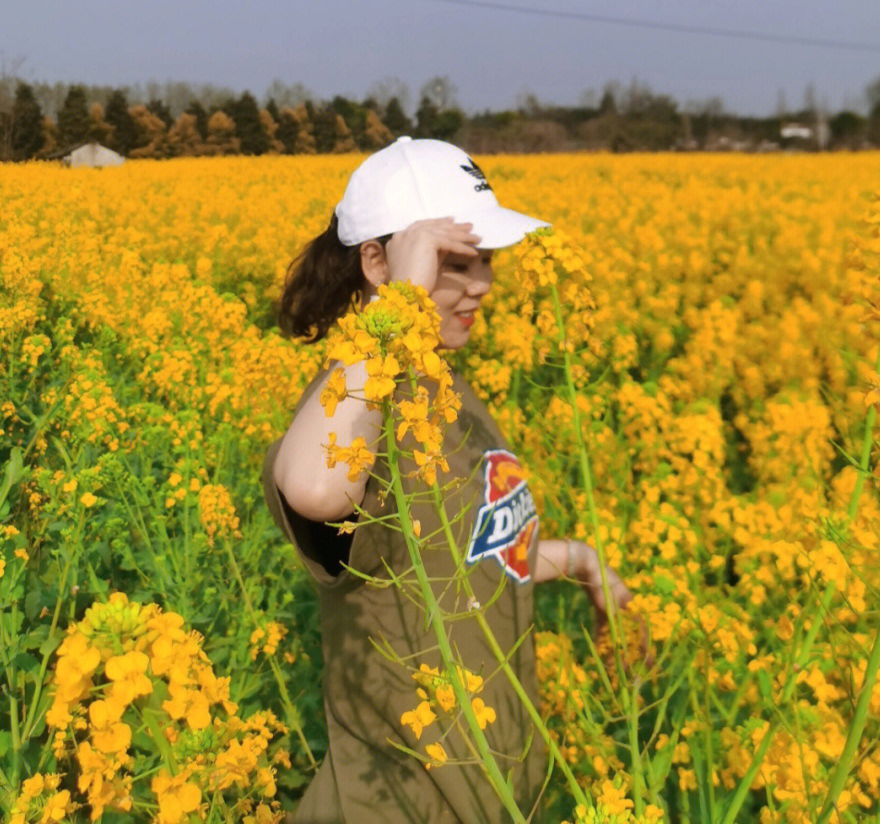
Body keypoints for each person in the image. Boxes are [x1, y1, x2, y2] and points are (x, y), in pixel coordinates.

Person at [262, 138, 634, 823]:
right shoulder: (353, 405)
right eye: (452, 263)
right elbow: (314, 488)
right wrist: (400, 301)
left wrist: (577, 560)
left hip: (490, 792)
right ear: (377, 260)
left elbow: (464, 550)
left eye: (485, 261)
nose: (483, 284)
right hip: (393, 805)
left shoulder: (446, 386)